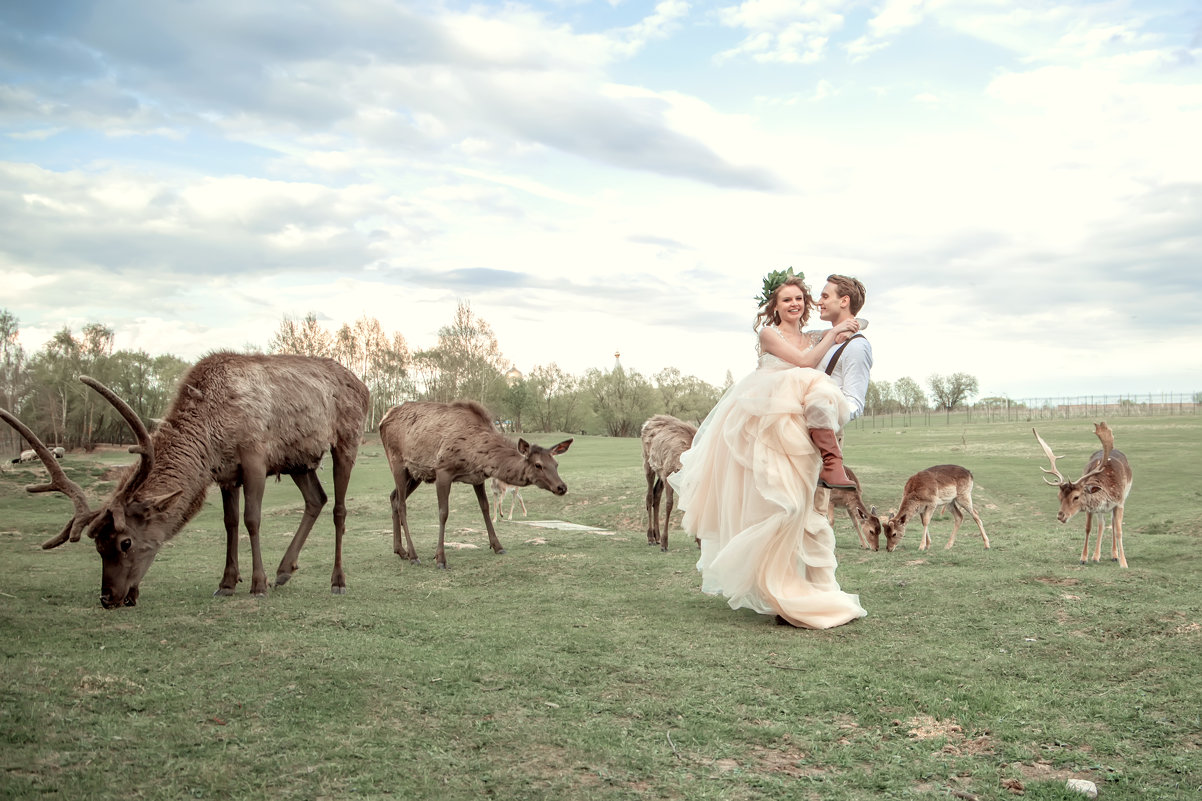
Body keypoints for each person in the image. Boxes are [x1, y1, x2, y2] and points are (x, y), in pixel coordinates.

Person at [669, 269, 867, 629]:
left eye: (800, 299)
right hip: (762, 430)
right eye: (786, 299)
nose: (795, 304)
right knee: (781, 506)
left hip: (795, 434)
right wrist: (834, 333)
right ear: (774, 307)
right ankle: (774, 588)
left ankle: (802, 586)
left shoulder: (812, 336)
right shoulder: (770, 334)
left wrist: (842, 324)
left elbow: (857, 323)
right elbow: (806, 363)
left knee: (801, 511)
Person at [815, 275, 872, 419]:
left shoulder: (857, 346)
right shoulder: (826, 338)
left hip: (822, 431)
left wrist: (819, 416)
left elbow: (854, 404)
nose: (819, 302)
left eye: (825, 297)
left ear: (844, 301)